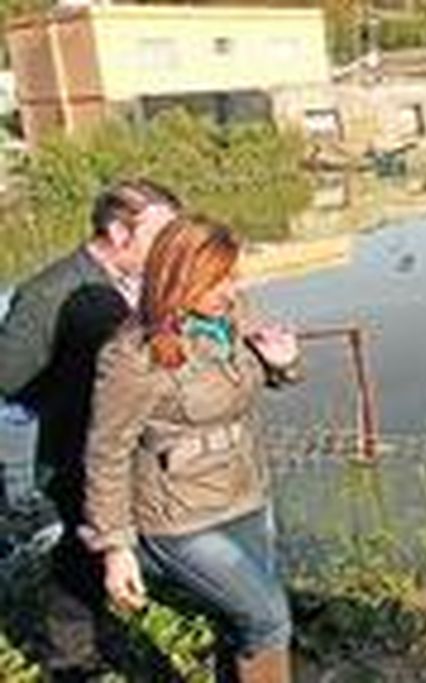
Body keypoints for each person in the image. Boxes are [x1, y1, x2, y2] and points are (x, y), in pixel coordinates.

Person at [80, 215, 301, 683]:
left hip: (245, 492)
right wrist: (115, 546)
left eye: (233, 275)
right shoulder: (131, 356)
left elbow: (242, 382)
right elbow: (106, 454)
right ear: (176, 276)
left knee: (239, 621)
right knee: (269, 619)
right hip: (180, 516)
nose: (229, 289)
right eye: (215, 279)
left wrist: (281, 365)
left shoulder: (233, 314)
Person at [0, 179, 180, 679]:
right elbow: (10, 376)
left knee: (129, 539)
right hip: (80, 451)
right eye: (160, 235)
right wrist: (79, 402)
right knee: (83, 549)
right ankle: (72, 659)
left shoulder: (141, 284)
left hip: (136, 447)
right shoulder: (47, 292)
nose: (171, 249)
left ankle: (126, 610)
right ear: (120, 232)